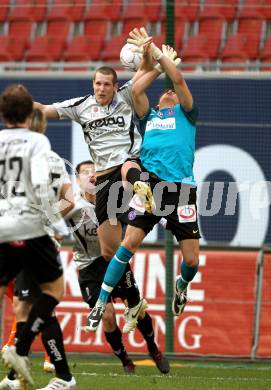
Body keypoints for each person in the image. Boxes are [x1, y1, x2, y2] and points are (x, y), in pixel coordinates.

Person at [87, 31, 200, 332]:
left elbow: (180, 81)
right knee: (127, 245)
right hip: (149, 187)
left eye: (172, 92)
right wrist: (150, 57)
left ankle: (182, 283)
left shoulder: (187, 114)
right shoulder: (149, 117)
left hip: (181, 191)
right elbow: (136, 90)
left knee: (192, 261)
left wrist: (160, 56)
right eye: (166, 91)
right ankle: (100, 303)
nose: (170, 92)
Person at [0, 85, 76, 389]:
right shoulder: (39, 144)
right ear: (31, 114)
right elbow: (42, 188)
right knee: (53, 291)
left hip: (3, 227)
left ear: (4, 113)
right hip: (32, 228)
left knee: (20, 304)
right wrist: (57, 225)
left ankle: (20, 358)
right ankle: (21, 350)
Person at [64, 160, 169, 374]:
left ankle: (153, 348)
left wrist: (158, 219)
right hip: (89, 267)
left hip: (115, 261)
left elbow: (134, 215)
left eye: (95, 171)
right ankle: (125, 360)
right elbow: (49, 220)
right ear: (77, 180)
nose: (91, 175)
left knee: (136, 308)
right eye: (85, 173)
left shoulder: (113, 199)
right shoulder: (72, 207)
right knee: (108, 316)